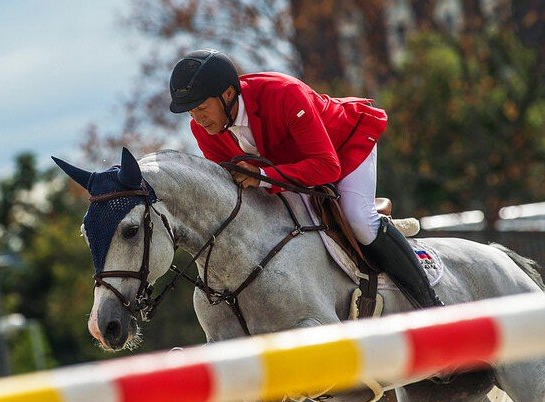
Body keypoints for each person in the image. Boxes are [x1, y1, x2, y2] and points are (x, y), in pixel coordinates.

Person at [168, 49, 442, 309]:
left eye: (202, 107)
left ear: (228, 94)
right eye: (191, 111)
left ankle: (430, 303)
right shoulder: (205, 128)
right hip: (288, 172)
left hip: (342, 147)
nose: (197, 118)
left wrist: (263, 176)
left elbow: (327, 167)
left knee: (359, 219)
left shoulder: (283, 93)